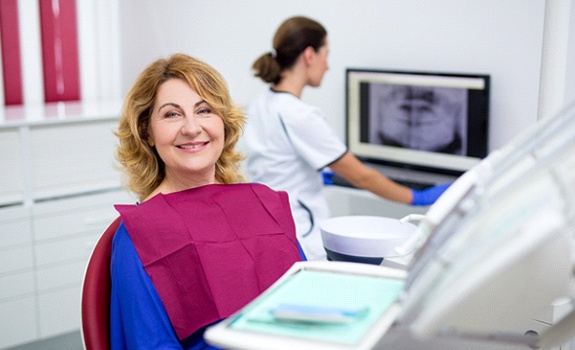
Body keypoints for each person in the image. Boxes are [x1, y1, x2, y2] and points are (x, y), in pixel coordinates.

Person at [110, 53, 304, 349]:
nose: (191, 128)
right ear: (147, 132)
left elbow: (310, 303)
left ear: (224, 124)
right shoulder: (139, 235)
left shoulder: (264, 203)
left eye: (204, 110)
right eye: (172, 114)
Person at [244, 16, 450, 261]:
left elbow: (275, 163)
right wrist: (416, 197)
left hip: (271, 231)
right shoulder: (299, 115)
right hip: (302, 236)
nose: (328, 65)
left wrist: (314, 174)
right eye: (326, 55)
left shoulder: (260, 103)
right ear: (309, 55)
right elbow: (362, 176)